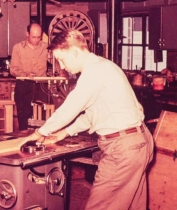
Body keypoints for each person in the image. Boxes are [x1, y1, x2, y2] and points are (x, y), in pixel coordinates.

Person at [21, 29, 154, 210]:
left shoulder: (94, 72)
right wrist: (64, 133)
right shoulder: (103, 66)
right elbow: (93, 115)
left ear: (74, 52)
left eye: (62, 59)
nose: (61, 65)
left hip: (123, 150)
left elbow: (71, 107)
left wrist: (39, 133)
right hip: (137, 143)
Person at [10, 23, 48, 131]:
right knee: (24, 118)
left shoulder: (46, 47)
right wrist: (25, 74)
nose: (36, 40)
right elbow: (13, 69)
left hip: (42, 86)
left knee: (44, 118)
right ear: (27, 34)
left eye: (38, 37)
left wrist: (61, 70)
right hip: (24, 86)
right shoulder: (18, 48)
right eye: (33, 37)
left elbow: (57, 62)